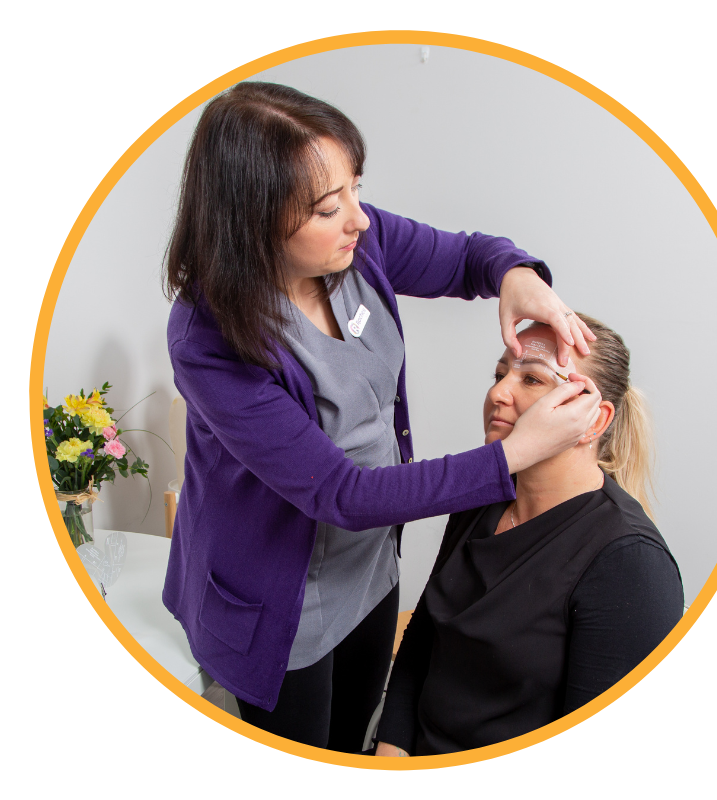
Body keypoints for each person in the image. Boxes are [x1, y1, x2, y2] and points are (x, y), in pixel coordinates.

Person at [161, 81, 601, 752]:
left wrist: (515, 274)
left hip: (369, 570)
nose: (359, 219)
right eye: (327, 207)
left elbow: (464, 257)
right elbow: (342, 493)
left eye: (356, 190)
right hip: (283, 604)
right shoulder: (209, 338)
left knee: (358, 729)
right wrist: (512, 457)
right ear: (251, 219)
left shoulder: (354, 247)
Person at [376, 314, 684, 756]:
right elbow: (424, 641)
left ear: (593, 420)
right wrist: (391, 749)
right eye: (500, 374)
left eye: (532, 380)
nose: (498, 392)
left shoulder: (630, 564)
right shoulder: (479, 497)